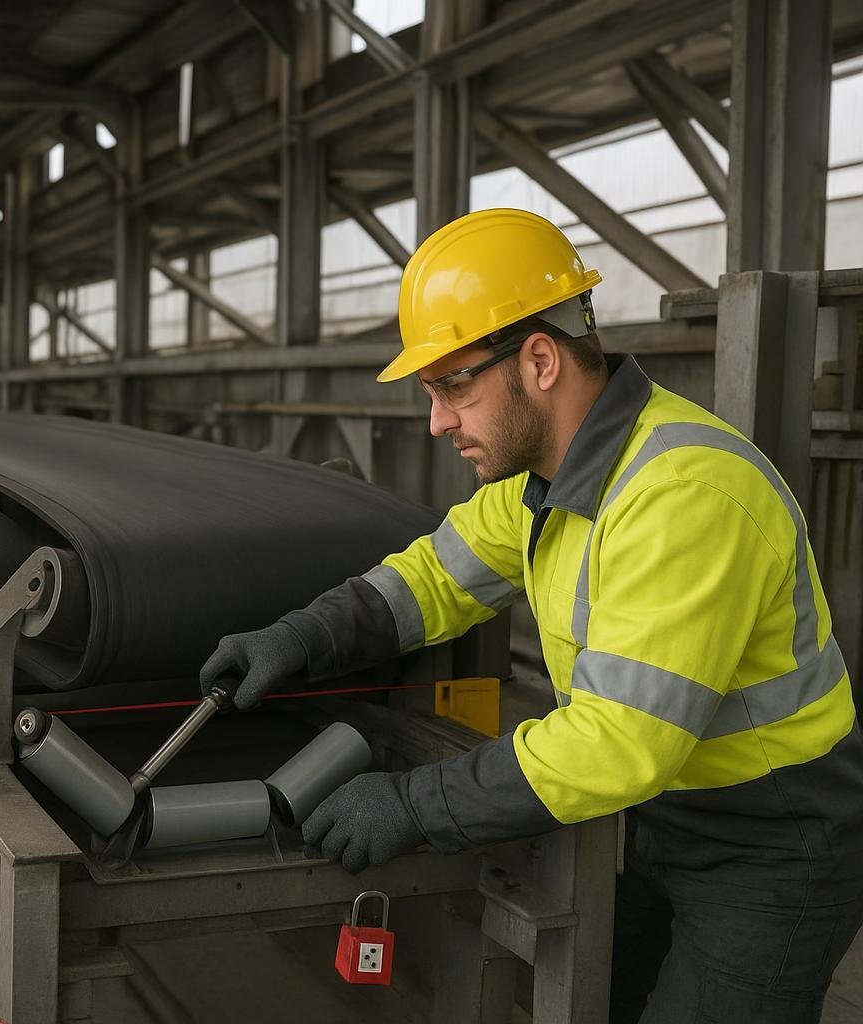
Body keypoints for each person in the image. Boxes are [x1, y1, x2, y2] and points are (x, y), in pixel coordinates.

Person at [201, 208, 863, 1022]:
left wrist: (414, 803)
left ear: (541, 360)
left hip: (775, 841)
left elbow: (617, 740)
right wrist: (301, 637)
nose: (439, 419)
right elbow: (434, 578)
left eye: (453, 386)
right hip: (664, 819)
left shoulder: (683, 494)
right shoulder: (540, 484)